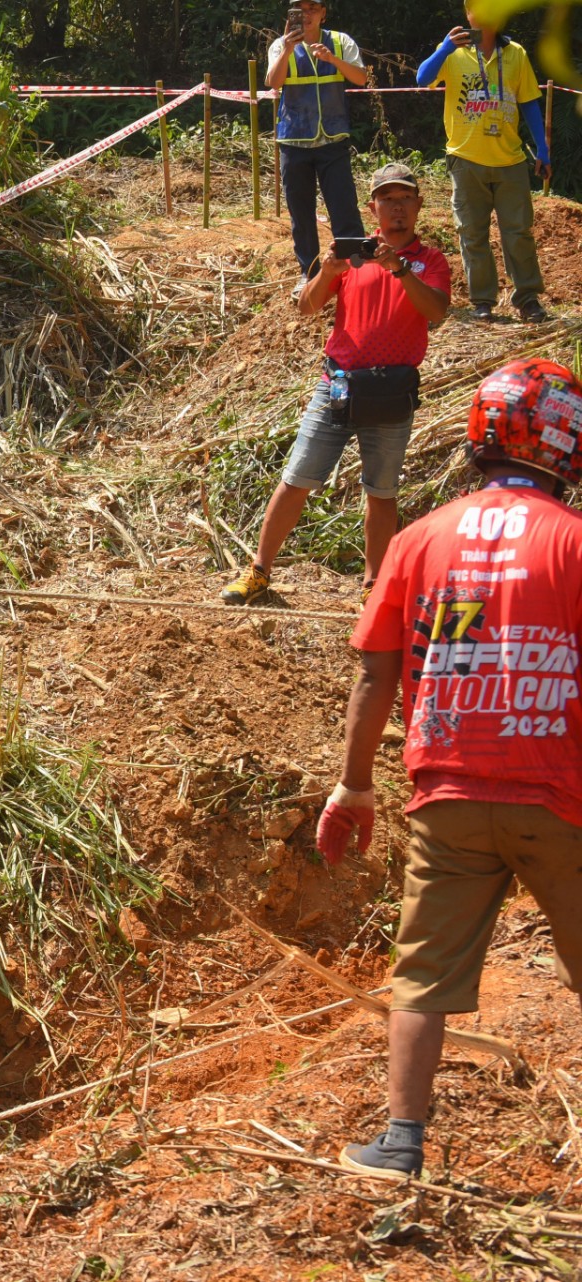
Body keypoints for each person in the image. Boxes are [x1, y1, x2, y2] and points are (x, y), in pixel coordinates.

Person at [316, 358, 582, 1179]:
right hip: (560, 797)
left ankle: (400, 1143)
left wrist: (354, 783)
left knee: (422, 977)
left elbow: (375, 671)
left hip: (448, 792)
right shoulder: (574, 543)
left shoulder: (416, 539)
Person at [221, 164, 451, 606]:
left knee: (381, 492)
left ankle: (373, 587)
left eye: (405, 198)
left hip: (392, 390)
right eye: (388, 199)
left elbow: (436, 311)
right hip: (339, 385)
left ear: (419, 205)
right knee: (297, 478)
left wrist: (400, 269)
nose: (397, 207)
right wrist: (327, 271)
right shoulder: (354, 256)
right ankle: (259, 571)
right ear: (373, 208)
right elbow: (307, 308)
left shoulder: (430, 261)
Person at [418, 10, 552, 323]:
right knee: (472, 234)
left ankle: (528, 299)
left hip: (510, 160)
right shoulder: (453, 51)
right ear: (469, 12)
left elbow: (529, 102)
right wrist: (444, 49)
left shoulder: (515, 53)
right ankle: (482, 302)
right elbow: (423, 79)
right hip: (466, 159)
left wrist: (542, 150)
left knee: (518, 233)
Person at [266, 0, 371, 277]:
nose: (306, 14)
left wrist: (333, 60)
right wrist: (289, 48)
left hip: (332, 141)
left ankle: (356, 272)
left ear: (323, 13)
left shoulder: (340, 42)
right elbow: (273, 82)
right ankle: (309, 275)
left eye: (312, 8)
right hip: (294, 143)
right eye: (299, 9)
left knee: (344, 209)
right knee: (301, 216)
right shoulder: (280, 45)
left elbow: (361, 78)